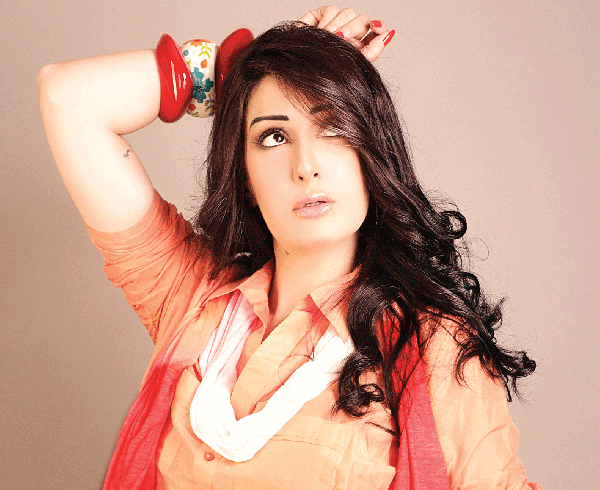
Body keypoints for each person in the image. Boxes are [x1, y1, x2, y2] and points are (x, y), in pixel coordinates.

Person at [37, 5, 542, 490]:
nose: (306, 166)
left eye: (334, 128)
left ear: (371, 154)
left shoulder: (431, 347)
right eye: (274, 136)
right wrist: (241, 69)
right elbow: (67, 97)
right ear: (246, 176)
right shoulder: (192, 298)